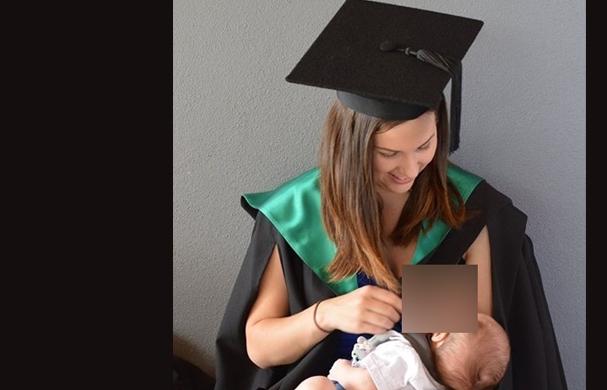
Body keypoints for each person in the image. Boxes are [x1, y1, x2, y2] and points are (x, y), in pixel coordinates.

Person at [214, 1, 567, 389]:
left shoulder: (464, 211)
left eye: (425, 146)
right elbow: (260, 349)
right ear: (350, 147)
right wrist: (328, 314)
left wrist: (426, 306)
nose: (410, 169)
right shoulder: (299, 210)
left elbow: (465, 360)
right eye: (388, 154)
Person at [295, 313, 511, 390]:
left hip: (346, 384)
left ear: (441, 333)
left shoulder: (407, 357)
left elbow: (366, 383)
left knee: (315, 385)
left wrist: (342, 369)